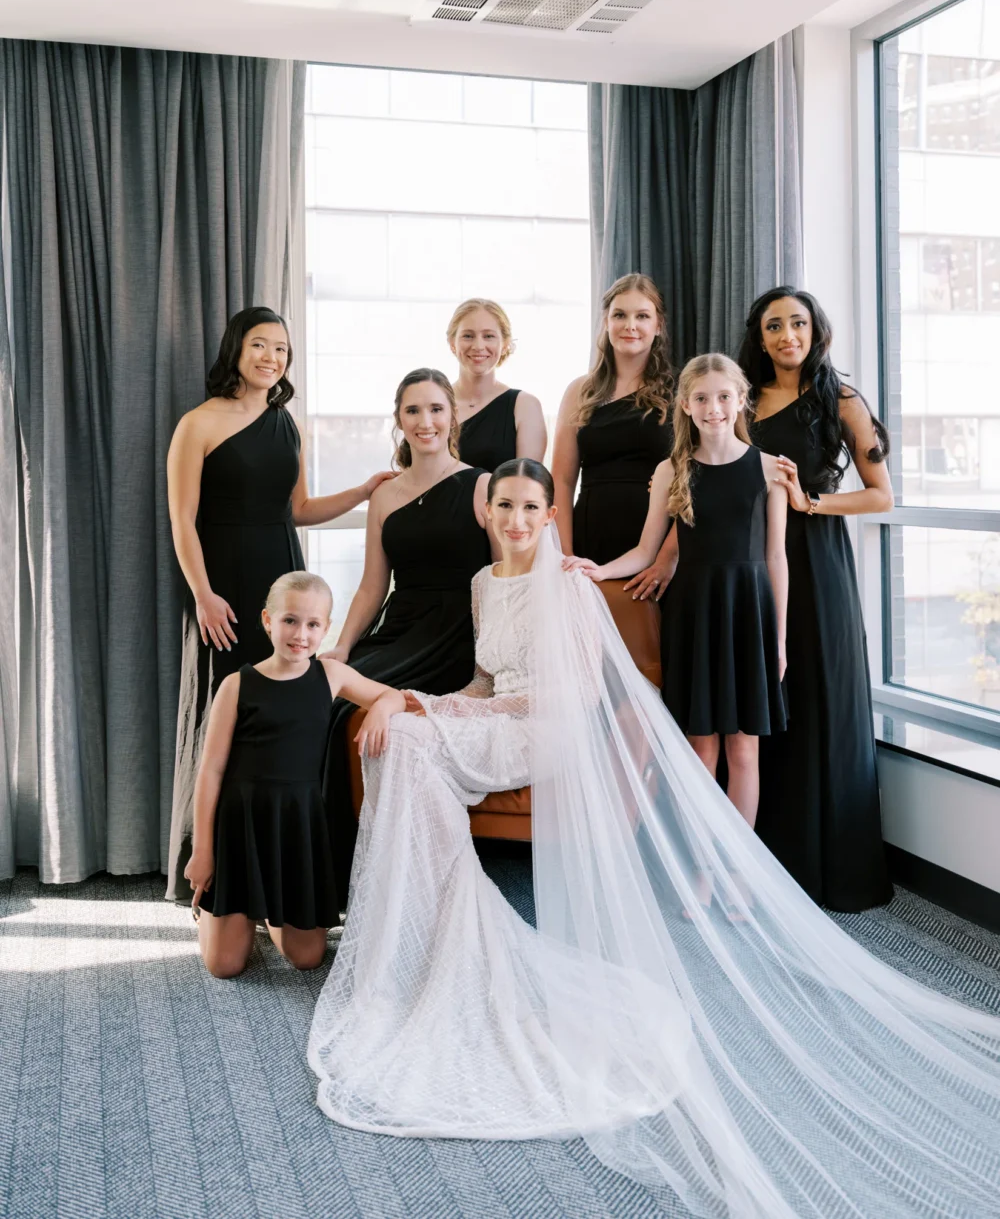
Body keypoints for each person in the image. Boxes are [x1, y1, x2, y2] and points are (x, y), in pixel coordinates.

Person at [309, 458, 1000, 1219]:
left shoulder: (568, 582)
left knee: (407, 737)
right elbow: (482, 681)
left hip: (546, 732)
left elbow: (565, 696)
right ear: (487, 511)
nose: (514, 518)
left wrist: (417, 707)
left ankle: (435, 924)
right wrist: (439, 704)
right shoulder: (481, 584)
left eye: (530, 506)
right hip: (493, 720)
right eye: (504, 504)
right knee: (408, 749)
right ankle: (441, 935)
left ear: (548, 515)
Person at [165, 307, 393, 899]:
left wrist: (364, 490)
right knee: (230, 721)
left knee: (286, 715)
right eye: (261, 346)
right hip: (225, 592)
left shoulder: (285, 423)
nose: (272, 358)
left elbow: (301, 510)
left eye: (283, 350)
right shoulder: (198, 423)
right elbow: (182, 522)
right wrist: (203, 595)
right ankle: (214, 867)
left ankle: (282, 863)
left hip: (279, 575)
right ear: (236, 351)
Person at [569, 354, 787, 835]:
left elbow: (776, 558)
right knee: (700, 749)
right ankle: (705, 873)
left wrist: (780, 640)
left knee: (744, 749)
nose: (714, 408)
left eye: (724, 397)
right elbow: (646, 551)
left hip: (748, 615)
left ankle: (738, 877)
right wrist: (598, 569)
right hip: (694, 615)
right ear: (685, 405)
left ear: (741, 400)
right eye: (703, 398)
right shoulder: (672, 471)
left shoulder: (770, 470)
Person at [739, 286, 894, 912]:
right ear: (760, 336)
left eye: (797, 323)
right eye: (773, 325)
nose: (786, 336)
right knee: (773, 699)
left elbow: (881, 494)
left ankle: (834, 870)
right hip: (755, 558)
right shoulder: (743, 400)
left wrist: (814, 502)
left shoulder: (844, 400)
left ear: (814, 330)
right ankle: (774, 862)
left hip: (820, 560)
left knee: (823, 694)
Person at [321, 367, 498, 898]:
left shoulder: (482, 484)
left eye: (436, 409)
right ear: (398, 420)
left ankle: (349, 883)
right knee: (320, 690)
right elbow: (372, 588)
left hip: (456, 636)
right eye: (413, 411)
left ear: (453, 416)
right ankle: (317, 876)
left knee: (338, 711)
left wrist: (489, 663)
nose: (426, 421)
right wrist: (342, 648)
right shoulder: (384, 496)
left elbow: (500, 582)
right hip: (399, 626)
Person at [183, 571, 404, 979]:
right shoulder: (237, 685)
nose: (300, 633)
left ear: (326, 629)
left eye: (313, 624)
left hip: (295, 824)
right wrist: (203, 851)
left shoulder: (330, 676)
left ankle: (268, 912)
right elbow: (210, 772)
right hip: (241, 823)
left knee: (308, 959)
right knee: (224, 967)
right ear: (268, 620)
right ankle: (215, 918)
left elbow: (392, 695)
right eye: (289, 620)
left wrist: (380, 711)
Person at [551, 272, 673, 564]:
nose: (630, 326)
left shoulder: (679, 391)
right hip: (591, 534)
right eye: (620, 315)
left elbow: (696, 483)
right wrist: (565, 556)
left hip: (654, 539)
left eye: (642, 316)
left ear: (658, 326)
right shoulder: (580, 390)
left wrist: (668, 559)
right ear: (606, 322)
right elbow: (562, 481)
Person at [448, 298, 547, 470]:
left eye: (489, 336)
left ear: (505, 345)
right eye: (468, 336)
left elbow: (527, 485)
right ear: (452, 343)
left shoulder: (525, 406)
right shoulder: (433, 402)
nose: (478, 346)